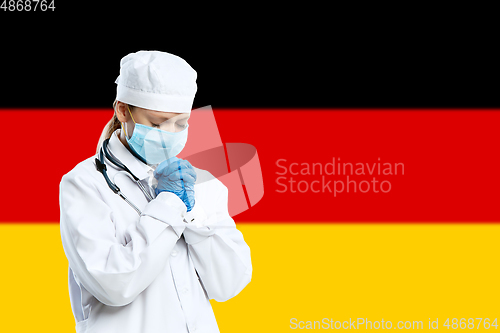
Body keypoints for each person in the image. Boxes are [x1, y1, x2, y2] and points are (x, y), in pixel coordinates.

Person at [59, 50, 252, 333]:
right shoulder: (85, 183)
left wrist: (194, 212)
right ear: (123, 110)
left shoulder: (199, 180)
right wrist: (170, 204)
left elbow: (230, 283)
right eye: (158, 122)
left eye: (181, 123)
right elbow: (114, 285)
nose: (171, 133)